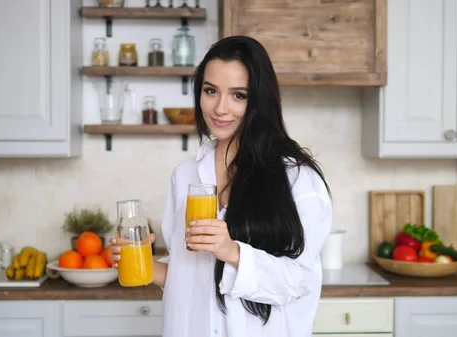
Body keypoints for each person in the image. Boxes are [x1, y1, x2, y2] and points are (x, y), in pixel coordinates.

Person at [110, 35, 332, 337]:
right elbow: (187, 277)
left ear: (260, 99)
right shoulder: (185, 175)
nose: (220, 108)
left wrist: (232, 251)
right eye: (210, 91)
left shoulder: (297, 179)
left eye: (238, 95)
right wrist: (143, 264)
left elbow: (299, 281)